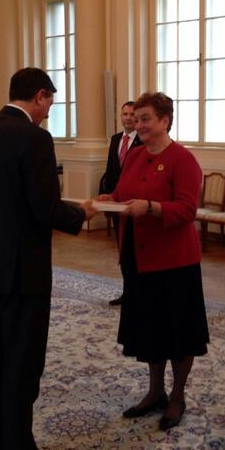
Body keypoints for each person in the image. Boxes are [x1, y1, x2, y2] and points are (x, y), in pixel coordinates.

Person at [0, 67, 95, 450]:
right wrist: (81, 213)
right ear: (39, 95)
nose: (48, 112)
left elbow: (1, 201)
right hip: (22, 269)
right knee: (21, 366)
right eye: (49, 103)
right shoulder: (35, 138)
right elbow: (44, 208)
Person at [99, 92, 209, 431]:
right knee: (151, 328)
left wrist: (151, 207)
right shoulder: (134, 155)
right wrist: (107, 199)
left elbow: (187, 210)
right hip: (138, 256)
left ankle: (177, 396)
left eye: (145, 118)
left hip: (174, 262)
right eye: (136, 119)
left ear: (165, 120)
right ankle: (155, 391)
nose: (139, 124)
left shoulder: (183, 159)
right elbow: (122, 194)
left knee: (179, 332)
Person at [99, 101, 143, 306]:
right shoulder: (116, 139)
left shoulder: (143, 141)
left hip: (134, 204)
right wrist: (106, 197)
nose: (128, 117)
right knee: (123, 251)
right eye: (125, 114)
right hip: (115, 204)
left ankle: (140, 293)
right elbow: (110, 171)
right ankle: (128, 291)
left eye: (132, 114)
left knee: (136, 252)